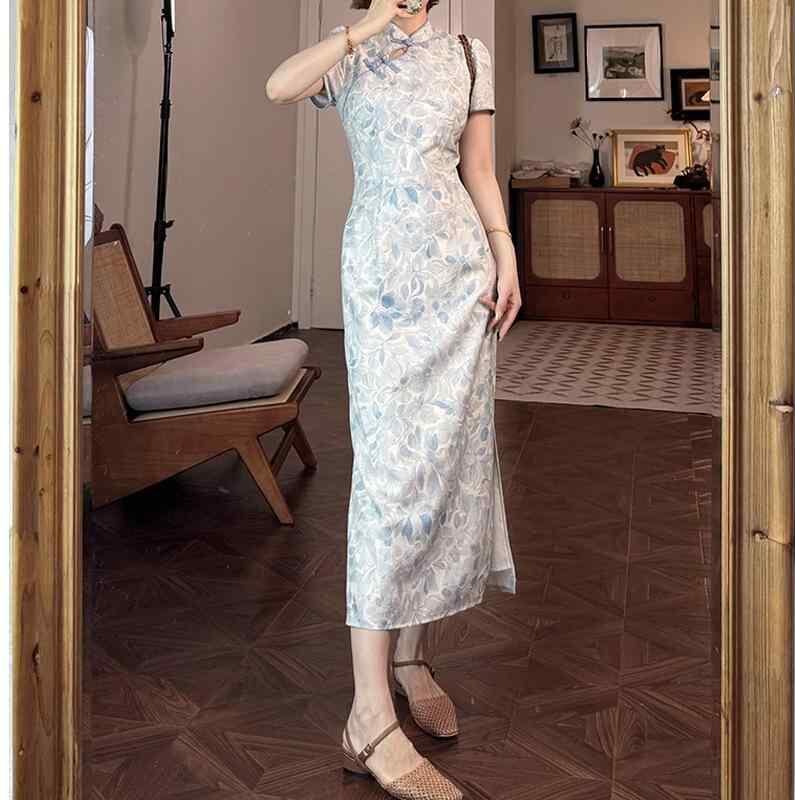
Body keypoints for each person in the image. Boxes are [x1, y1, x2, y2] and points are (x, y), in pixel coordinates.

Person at [267, 1, 519, 797]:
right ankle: (368, 715)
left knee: (446, 466)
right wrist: (365, 27)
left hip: (461, 275)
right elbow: (278, 87)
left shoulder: (469, 54)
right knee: (389, 476)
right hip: (381, 277)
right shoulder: (347, 53)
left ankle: (412, 658)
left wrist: (505, 254)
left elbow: (478, 170)